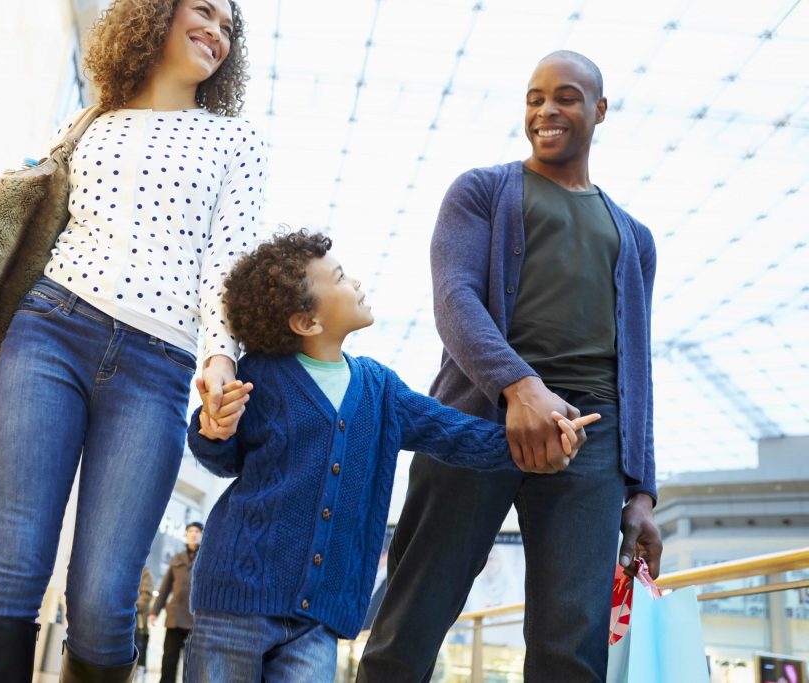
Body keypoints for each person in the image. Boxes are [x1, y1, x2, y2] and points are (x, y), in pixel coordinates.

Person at [0, 1, 265, 681]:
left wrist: (220, 355)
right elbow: (7, 245)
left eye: (229, 28)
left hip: (157, 370)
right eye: (204, 11)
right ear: (157, 15)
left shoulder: (236, 141)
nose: (217, 31)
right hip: (49, 333)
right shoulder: (88, 121)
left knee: (102, 598)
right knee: (12, 560)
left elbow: (229, 258)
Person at [356, 51, 663, 682]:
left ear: (600, 110)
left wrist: (642, 491)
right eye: (535, 97)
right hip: (474, 419)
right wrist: (521, 388)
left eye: (567, 97)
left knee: (572, 648)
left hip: (592, 437)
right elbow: (455, 298)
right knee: (409, 621)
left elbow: (637, 364)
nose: (547, 110)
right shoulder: (482, 191)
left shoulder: (634, 237)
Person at [180, 230, 598, 682]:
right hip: (233, 602)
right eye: (340, 278)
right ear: (307, 322)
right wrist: (212, 427)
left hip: (319, 619)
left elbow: (453, 433)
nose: (355, 282)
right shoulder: (260, 376)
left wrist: (535, 445)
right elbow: (222, 456)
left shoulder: (380, 389)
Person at [149, 522, 202, 683]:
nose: (193, 534)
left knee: (191, 666)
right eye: (190, 531)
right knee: (169, 662)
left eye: (197, 531)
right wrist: (154, 611)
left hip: (195, 622)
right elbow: (165, 588)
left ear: (202, 535)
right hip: (174, 619)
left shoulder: (207, 560)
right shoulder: (176, 559)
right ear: (186, 535)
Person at [135, 566, 153, 677]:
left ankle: (140, 671)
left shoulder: (145, 572)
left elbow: (146, 594)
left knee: (139, 644)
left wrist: (132, 605)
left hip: (138, 617)